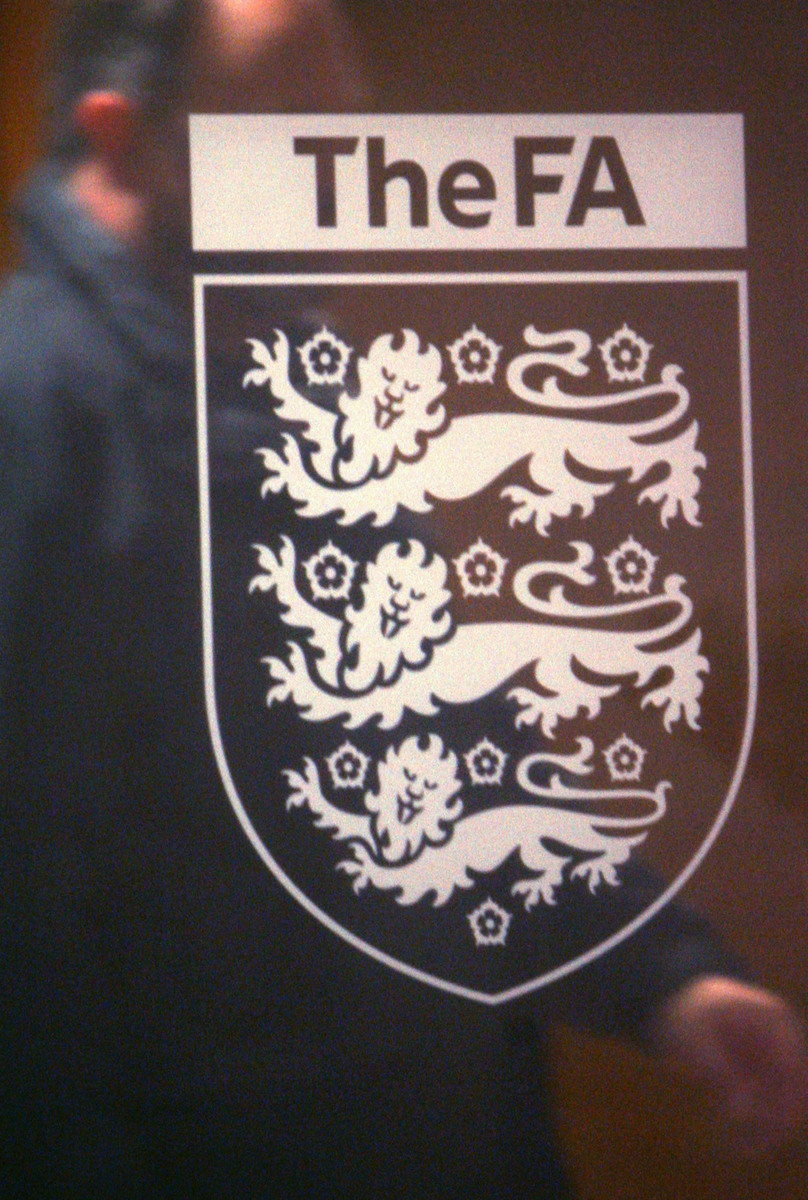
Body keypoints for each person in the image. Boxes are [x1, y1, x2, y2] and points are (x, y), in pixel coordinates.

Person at [0, 1, 805, 1195]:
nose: (342, 179)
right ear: (120, 137)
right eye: (290, 134)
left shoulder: (298, 403)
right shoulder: (32, 417)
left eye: (346, 130)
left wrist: (665, 979)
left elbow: (453, 768)